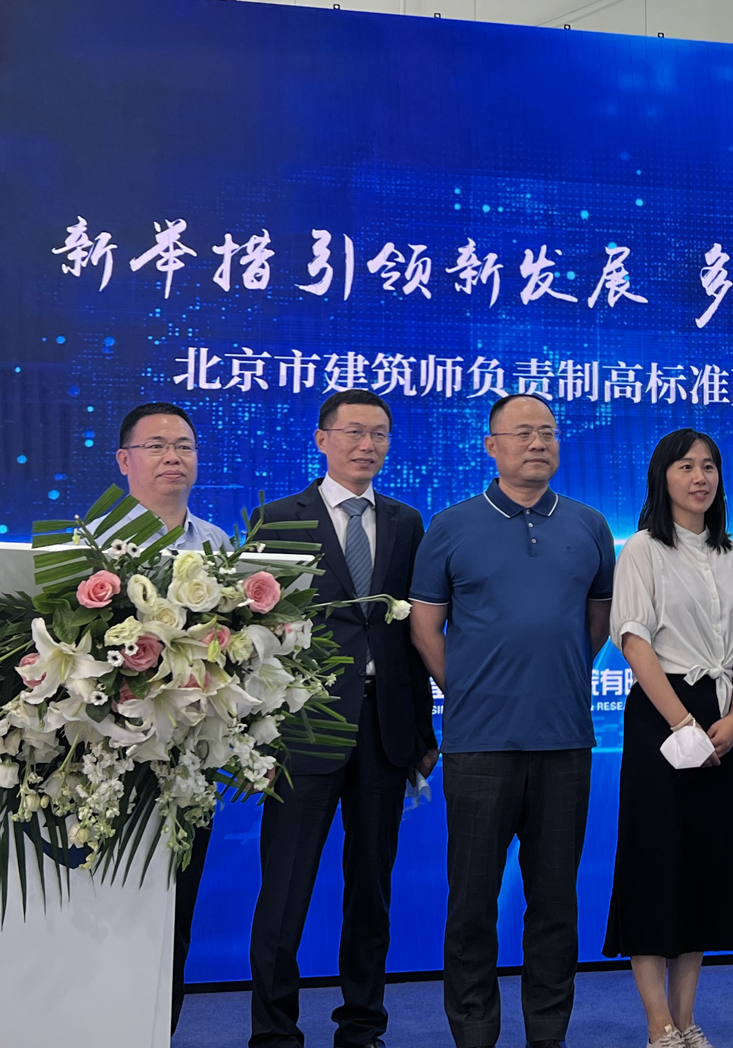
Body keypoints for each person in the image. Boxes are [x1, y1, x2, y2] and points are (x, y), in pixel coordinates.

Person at [409, 394, 615, 1048]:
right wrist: (470, 689)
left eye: (548, 433)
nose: (537, 444)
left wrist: (553, 673)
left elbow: (597, 621)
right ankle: (474, 1032)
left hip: (564, 741)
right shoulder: (451, 525)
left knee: (555, 904)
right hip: (479, 744)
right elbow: (424, 628)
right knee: (472, 902)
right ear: (491, 446)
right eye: (522, 433)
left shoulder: (589, 524)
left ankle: (547, 1034)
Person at [247, 390, 435, 1048]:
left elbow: (414, 633)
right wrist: (256, 735)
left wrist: (422, 732)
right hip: (302, 729)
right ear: (322, 439)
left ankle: (362, 1025)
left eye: (379, 433)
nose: (367, 445)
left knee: (371, 891)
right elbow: (252, 636)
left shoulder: (407, 522)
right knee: (285, 888)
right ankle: (274, 1032)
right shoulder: (276, 519)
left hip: (384, 728)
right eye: (354, 432)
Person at [604, 429, 733, 1048]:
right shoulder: (642, 548)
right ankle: (657, 1024)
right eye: (686, 466)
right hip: (662, 715)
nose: (700, 478)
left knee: (703, 866)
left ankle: (687, 1017)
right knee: (654, 866)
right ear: (662, 477)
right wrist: (681, 722)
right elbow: (633, 640)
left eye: (709, 467)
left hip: (719, 717)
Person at [111, 401, 231, 1037]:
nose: (172, 457)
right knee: (107, 900)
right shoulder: (90, 542)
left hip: (190, 757)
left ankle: (162, 1028)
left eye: (183, 446)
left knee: (176, 903)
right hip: (108, 757)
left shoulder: (218, 547)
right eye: (155, 446)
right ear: (124, 460)